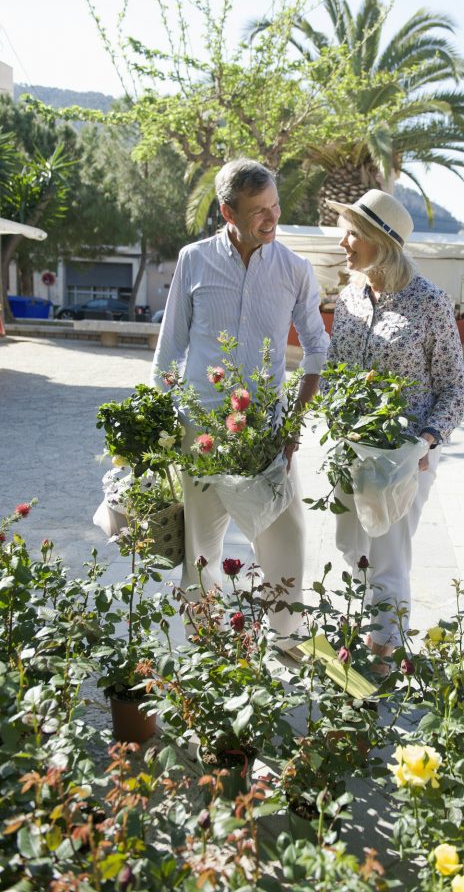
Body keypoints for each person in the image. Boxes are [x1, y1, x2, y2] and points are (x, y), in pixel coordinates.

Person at [151, 158, 329, 645]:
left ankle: (289, 639)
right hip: (202, 427)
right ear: (228, 213)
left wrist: (294, 422)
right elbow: (171, 349)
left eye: (275, 206)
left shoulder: (295, 268)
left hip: (269, 431)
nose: (271, 219)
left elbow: (318, 347)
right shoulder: (194, 260)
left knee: (286, 536)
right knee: (201, 547)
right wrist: (156, 425)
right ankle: (205, 642)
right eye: (258, 212)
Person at [325, 189, 464, 664]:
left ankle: (381, 653)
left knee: (387, 553)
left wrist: (426, 442)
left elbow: (455, 387)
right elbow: (334, 371)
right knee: (350, 544)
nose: (343, 240)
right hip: (353, 450)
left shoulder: (430, 303)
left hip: (406, 454)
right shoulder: (349, 297)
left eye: (352, 232)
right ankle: (367, 625)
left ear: (379, 242)